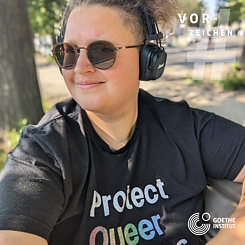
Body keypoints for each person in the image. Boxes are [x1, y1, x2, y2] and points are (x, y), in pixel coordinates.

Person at [0, 0, 245, 244]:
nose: (80, 68)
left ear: (147, 59)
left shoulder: (185, 126)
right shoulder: (43, 152)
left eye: (101, 51)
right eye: (69, 52)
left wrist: (234, 234)